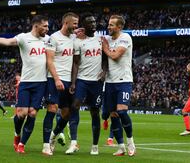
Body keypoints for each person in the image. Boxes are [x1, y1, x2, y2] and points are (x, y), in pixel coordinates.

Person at [0, 15, 49, 154]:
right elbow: (7, 42)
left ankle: (22, 144)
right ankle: (17, 134)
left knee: (32, 113)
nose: (47, 29)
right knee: (21, 114)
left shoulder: (48, 40)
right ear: (36, 26)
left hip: (41, 83)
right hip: (26, 82)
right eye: (45, 26)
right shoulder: (24, 38)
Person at [67, 13, 107, 155]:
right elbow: (76, 63)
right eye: (90, 22)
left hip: (96, 82)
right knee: (74, 106)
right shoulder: (77, 42)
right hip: (82, 80)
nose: (94, 24)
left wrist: (104, 72)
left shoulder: (101, 40)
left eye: (95, 21)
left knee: (95, 112)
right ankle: (73, 142)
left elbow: (106, 59)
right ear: (84, 25)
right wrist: (73, 82)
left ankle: (95, 146)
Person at [42, 12, 78, 156]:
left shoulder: (74, 37)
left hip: (69, 80)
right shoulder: (54, 38)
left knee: (67, 113)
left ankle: (53, 136)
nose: (76, 26)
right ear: (66, 23)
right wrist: (56, 79)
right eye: (74, 23)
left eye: (77, 23)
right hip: (54, 79)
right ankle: (46, 145)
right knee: (52, 108)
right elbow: (49, 60)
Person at [101, 15, 136, 156]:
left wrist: (105, 48)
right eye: (108, 24)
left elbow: (115, 56)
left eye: (112, 25)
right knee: (113, 115)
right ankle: (121, 147)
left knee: (122, 111)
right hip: (109, 82)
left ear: (119, 27)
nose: (108, 27)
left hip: (124, 81)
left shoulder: (125, 38)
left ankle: (130, 142)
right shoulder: (107, 39)